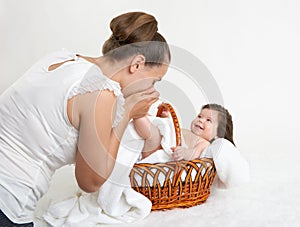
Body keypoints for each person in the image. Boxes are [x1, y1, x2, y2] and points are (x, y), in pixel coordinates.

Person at [0, 12, 170, 226]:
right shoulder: (100, 92)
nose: (152, 90)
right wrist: (126, 113)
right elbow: (90, 182)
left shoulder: (62, 59)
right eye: (154, 81)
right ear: (136, 64)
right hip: (7, 200)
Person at [134, 103, 250, 188]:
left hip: (158, 157)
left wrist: (184, 152)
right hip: (159, 147)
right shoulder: (187, 133)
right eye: (200, 116)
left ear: (218, 134)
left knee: (151, 132)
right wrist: (166, 120)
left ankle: (137, 113)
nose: (201, 120)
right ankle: (139, 114)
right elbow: (171, 134)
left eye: (208, 120)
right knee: (152, 123)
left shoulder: (203, 143)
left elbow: (194, 154)